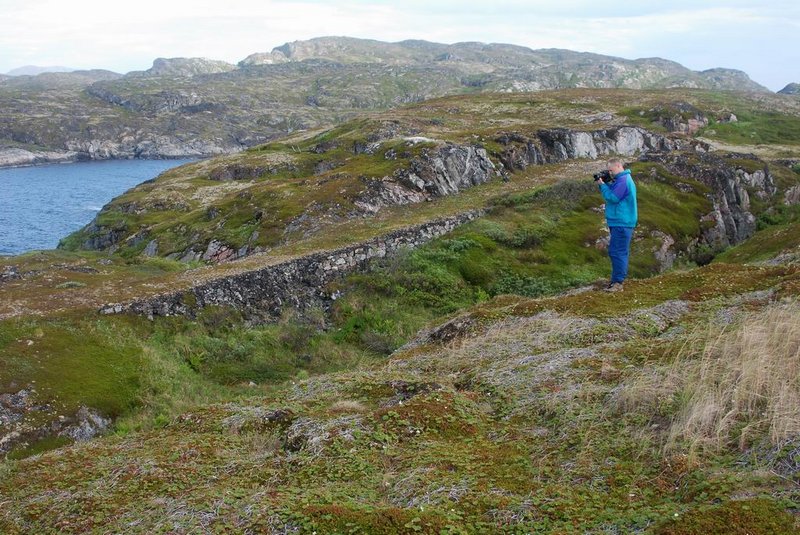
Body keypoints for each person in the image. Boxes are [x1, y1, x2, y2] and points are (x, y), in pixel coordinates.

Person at [595, 158, 637, 292]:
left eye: (611, 170)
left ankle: (618, 283)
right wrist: (607, 182)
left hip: (622, 221)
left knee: (617, 252)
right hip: (620, 221)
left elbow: (613, 198)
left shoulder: (623, 180)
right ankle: (615, 280)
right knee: (618, 251)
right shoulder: (621, 180)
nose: (610, 173)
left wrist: (602, 185)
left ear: (619, 166)